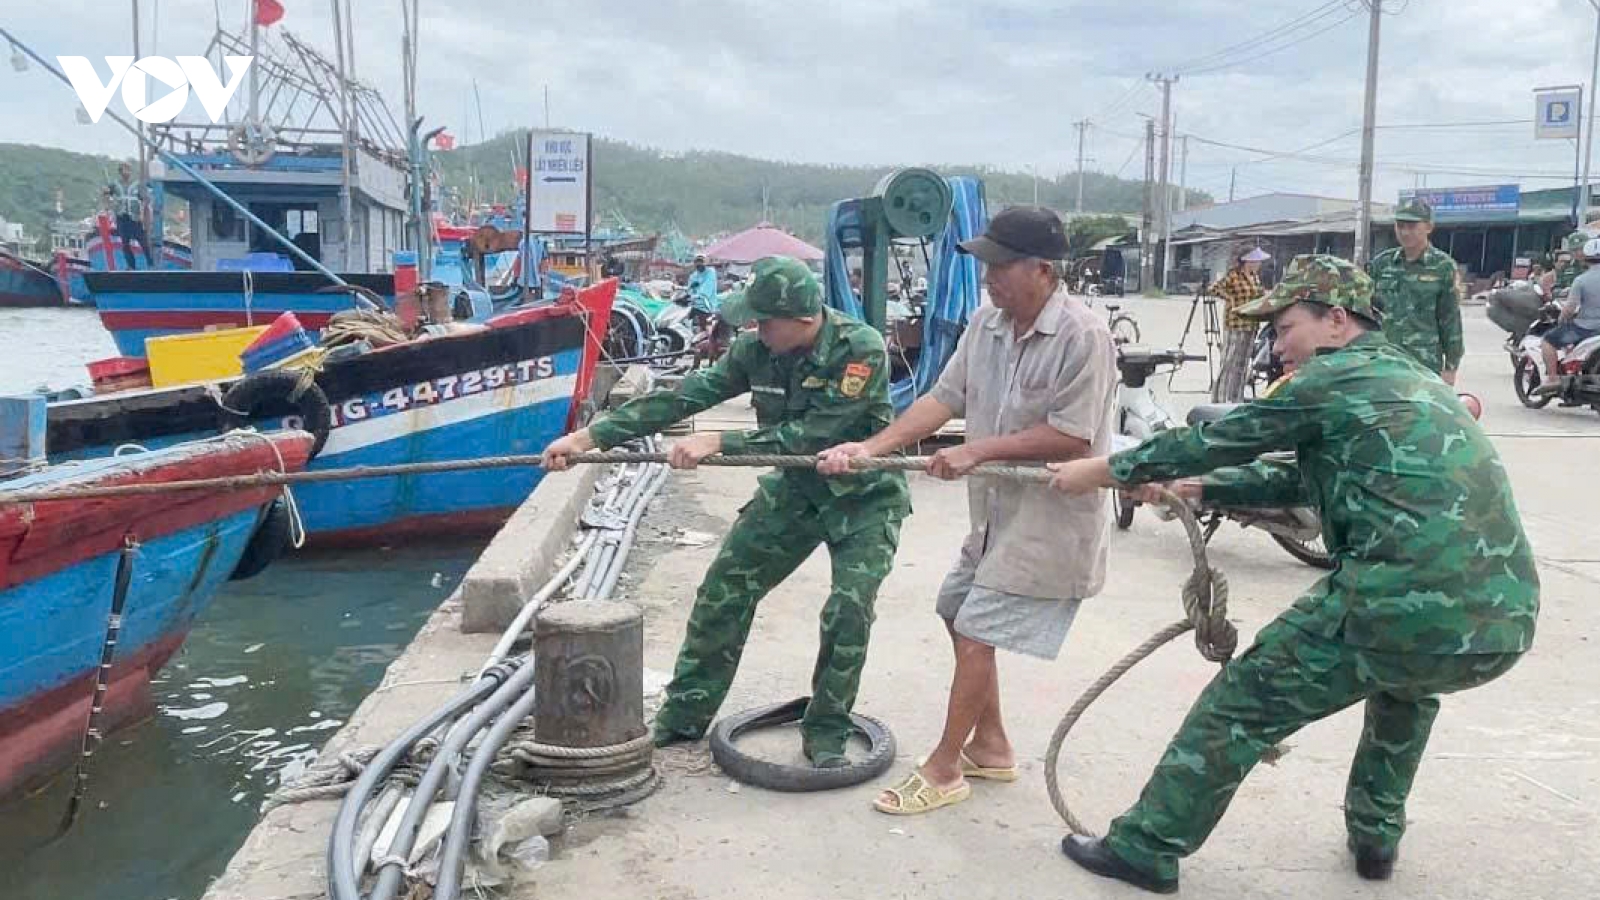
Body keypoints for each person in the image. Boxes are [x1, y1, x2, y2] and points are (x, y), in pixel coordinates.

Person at [1046, 254, 1539, 894]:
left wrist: (1106, 470)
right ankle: (1375, 839)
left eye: (1284, 329)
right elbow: (1302, 477)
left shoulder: (1327, 379)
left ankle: (1146, 847)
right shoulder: (1408, 378)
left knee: (1241, 706)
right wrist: (1196, 488)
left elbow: (1221, 438)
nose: (1276, 348)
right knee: (1406, 691)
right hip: (1498, 622)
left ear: (1336, 320)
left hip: (1392, 605)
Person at [542, 256, 909, 768]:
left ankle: (826, 727)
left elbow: (818, 435)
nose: (756, 330)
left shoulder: (859, 350)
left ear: (803, 320)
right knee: (724, 591)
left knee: (848, 609)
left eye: (765, 321)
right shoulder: (754, 351)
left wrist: (721, 441)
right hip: (797, 491)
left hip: (864, 495)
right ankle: (685, 715)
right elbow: (688, 395)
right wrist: (589, 437)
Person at [817, 206, 1118, 816]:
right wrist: (870, 448)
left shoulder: (1085, 336)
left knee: (977, 632)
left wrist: (976, 450)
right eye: (985, 264)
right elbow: (943, 397)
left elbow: (1076, 437)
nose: (989, 277)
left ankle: (946, 765)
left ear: (1042, 269)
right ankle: (993, 745)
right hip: (994, 517)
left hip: (1050, 521)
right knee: (956, 610)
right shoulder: (986, 323)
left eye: (1001, 265)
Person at [1368, 199, 1463, 384]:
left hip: (1423, 363)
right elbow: (1367, 312)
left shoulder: (1443, 266)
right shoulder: (1381, 264)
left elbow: (1450, 318)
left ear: (1428, 227)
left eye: (1412, 226)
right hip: (1384, 359)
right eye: (1400, 225)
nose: (1404, 232)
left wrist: (1451, 366)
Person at [1537, 236, 1600, 394]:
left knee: (1548, 340)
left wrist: (1561, 319)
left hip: (1586, 328)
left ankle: (1552, 378)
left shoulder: (1581, 280)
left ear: (1586, 257)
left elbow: (1570, 307)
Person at [1210, 245, 1270, 402]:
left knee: (1242, 365)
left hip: (1251, 324)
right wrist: (1230, 299)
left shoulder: (1255, 277)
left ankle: (1235, 398)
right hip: (1235, 324)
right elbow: (1214, 289)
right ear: (1247, 261)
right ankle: (1221, 398)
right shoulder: (1233, 276)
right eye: (1257, 261)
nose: (1259, 264)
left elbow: (1260, 295)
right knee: (1229, 362)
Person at [105, 162, 154, 270]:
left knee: (143, 242)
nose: (127, 172)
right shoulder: (114, 184)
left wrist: (144, 212)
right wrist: (108, 203)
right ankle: (131, 266)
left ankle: (151, 263)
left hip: (135, 217)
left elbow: (145, 198)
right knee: (125, 243)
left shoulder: (137, 184)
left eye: (128, 170)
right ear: (120, 172)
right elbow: (106, 193)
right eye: (124, 170)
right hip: (122, 217)